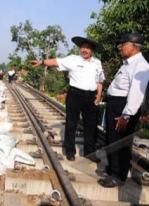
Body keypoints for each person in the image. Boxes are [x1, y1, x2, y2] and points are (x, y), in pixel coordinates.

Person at [31, 36, 105, 161]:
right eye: (82, 47)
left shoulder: (97, 63)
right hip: (75, 95)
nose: (84, 50)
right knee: (71, 123)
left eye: (87, 48)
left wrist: (98, 94)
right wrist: (42, 62)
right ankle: (70, 151)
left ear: (92, 50)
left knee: (91, 126)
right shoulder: (73, 59)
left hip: (90, 97)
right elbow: (56, 61)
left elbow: (100, 80)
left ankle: (90, 152)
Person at [98, 33, 149, 188]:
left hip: (123, 107)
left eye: (123, 44)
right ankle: (113, 168)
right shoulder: (128, 63)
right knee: (112, 138)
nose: (120, 47)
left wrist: (126, 115)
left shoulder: (140, 65)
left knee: (119, 141)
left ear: (134, 46)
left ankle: (118, 176)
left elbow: (136, 94)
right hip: (116, 104)